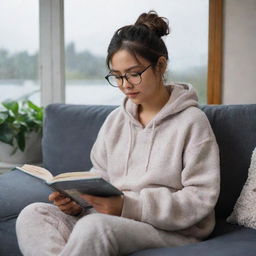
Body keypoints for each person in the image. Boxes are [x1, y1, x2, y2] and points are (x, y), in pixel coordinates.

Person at [16, 10, 220, 256]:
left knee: (96, 227)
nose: (125, 85)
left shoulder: (192, 122)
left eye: (134, 74)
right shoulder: (115, 120)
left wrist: (128, 206)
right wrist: (78, 203)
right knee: (33, 215)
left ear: (161, 65)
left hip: (173, 230)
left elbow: (200, 198)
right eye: (117, 76)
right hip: (110, 218)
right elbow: (99, 177)